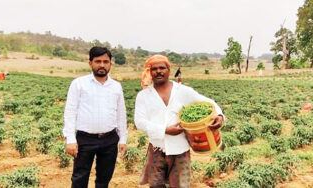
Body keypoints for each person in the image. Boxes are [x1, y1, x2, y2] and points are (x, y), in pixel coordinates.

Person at [134, 55, 225, 188]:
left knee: (181, 185)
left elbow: (207, 102)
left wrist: (220, 116)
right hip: (156, 148)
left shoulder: (182, 91)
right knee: (155, 185)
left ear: (168, 70)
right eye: (154, 69)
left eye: (162, 68)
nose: (158, 71)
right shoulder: (143, 96)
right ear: (150, 72)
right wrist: (165, 129)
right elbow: (139, 121)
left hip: (180, 149)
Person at [63, 46, 127, 188]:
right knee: (79, 178)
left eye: (106, 61)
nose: (102, 65)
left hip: (110, 139)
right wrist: (70, 139)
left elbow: (121, 114)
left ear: (110, 63)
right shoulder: (79, 84)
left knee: (104, 179)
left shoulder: (116, 86)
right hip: (85, 139)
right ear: (90, 63)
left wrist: (123, 139)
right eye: (98, 61)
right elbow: (70, 111)